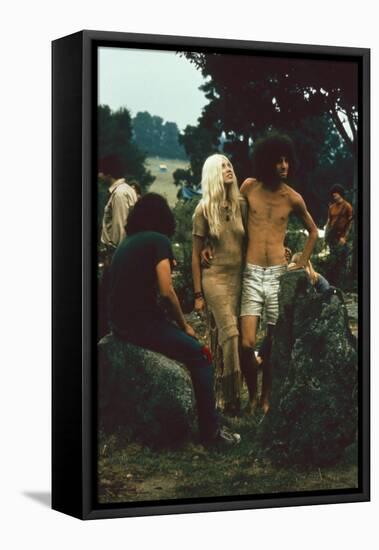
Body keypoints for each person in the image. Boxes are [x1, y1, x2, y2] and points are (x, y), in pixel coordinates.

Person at [108, 192, 240, 446]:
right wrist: (185, 326)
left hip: (120, 324)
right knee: (201, 356)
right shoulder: (158, 241)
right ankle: (211, 434)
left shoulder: (128, 242)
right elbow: (167, 292)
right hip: (141, 324)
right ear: (163, 217)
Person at [239, 133, 318, 414]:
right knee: (247, 344)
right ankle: (251, 394)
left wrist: (300, 262)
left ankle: (265, 398)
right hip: (250, 273)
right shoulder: (248, 187)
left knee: (271, 344)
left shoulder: (293, 198)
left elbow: (313, 231)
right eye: (278, 160)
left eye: (287, 160)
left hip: (276, 275)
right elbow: (231, 222)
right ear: (266, 161)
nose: (284, 165)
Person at [192, 154, 252, 416]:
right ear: (213, 174)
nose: (228, 168)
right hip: (214, 277)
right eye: (222, 166)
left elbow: (251, 239)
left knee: (233, 340)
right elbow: (195, 256)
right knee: (230, 334)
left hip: (238, 278)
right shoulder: (203, 209)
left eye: (230, 164)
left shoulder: (241, 203)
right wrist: (197, 295)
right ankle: (231, 400)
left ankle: (224, 393)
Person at [100, 173, 138, 265]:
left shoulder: (119, 194)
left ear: (108, 174)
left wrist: (116, 256)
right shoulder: (127, 189)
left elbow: (120, 226)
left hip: (117, 253)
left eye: (100, 172)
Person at [325, 184, 353, 287]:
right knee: (333, 261)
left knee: (342, 262)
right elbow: (329, 221)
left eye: (335, 194)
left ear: (340, 194)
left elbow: (350, 223)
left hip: (342, 237)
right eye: (333, 194)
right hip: (332, 237)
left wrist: (345, 237)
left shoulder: (347, 206)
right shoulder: (331, 207)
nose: (334, 196)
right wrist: (326, 235)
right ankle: (333, 285)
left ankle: (343, 286)